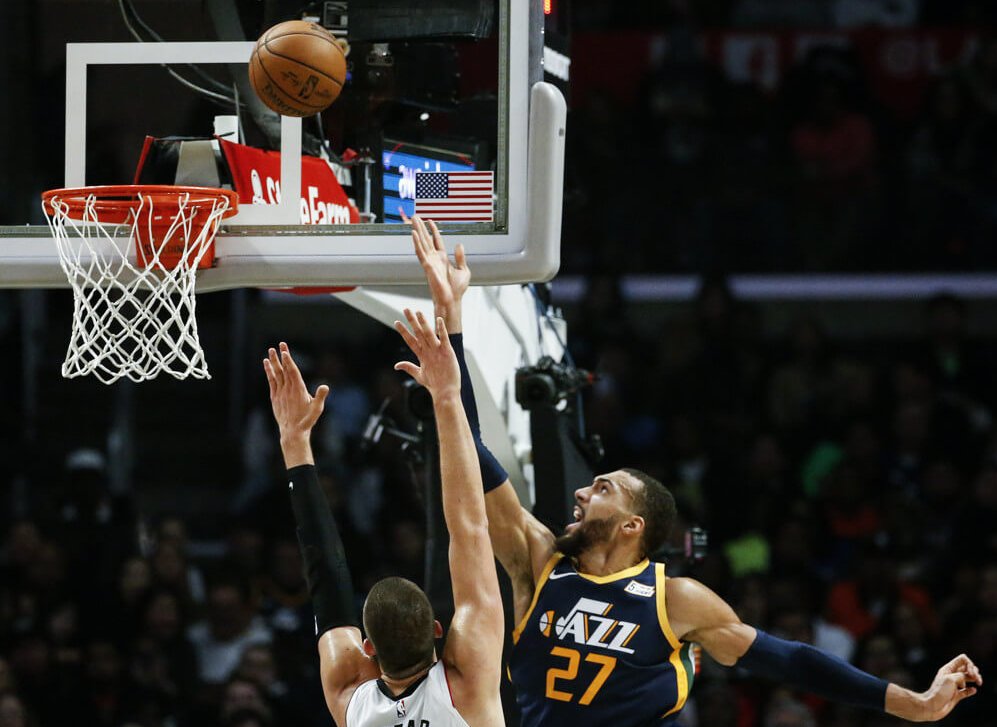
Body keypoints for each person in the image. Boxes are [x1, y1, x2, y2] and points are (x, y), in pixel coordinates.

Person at [406, 214, 984, 726]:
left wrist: (912, 703)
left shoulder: (674, 599)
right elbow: (469, 452)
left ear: (635, 525)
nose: (582, 492)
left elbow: (792, 660)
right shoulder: (538, 563)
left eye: (603, 488)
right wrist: (451, 326)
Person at [261, 323, 504, 725]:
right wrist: (446, 395)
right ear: (438, 630)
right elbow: (469, 527)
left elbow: (327, 579)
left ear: (368, 649)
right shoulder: (467, 688)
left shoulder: (351, 698)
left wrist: (295, 442)